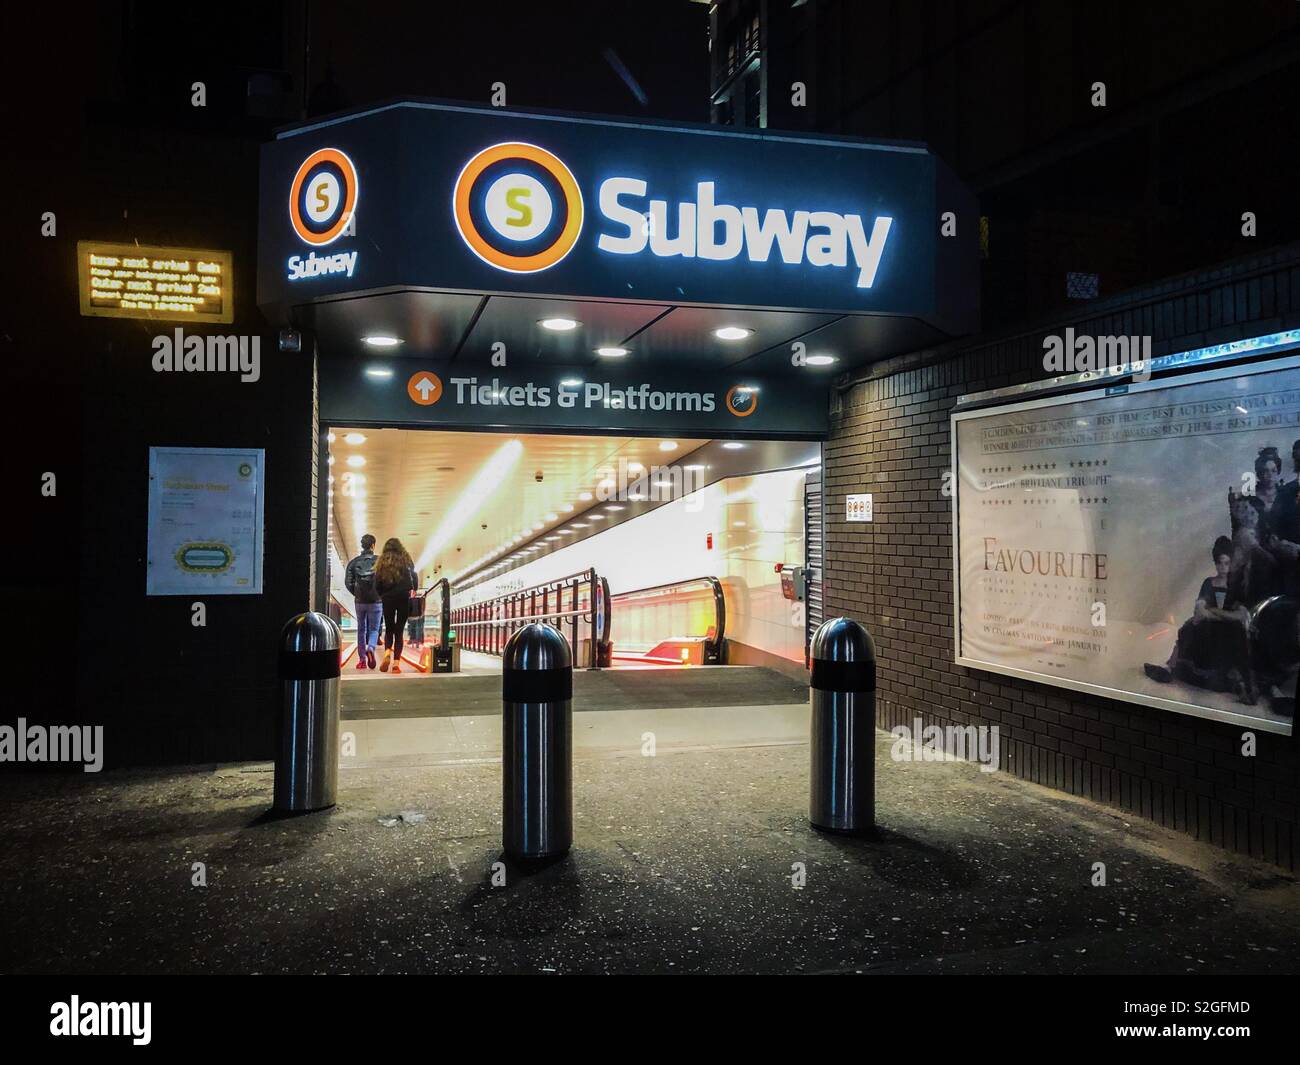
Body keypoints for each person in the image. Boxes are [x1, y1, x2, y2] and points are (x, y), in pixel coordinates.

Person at [375, 537, 418, 673]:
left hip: (387, 598)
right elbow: (414, 575)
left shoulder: (382, 560)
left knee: (389, 629)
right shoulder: (406, 558)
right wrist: (414, 589)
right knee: (399, 631)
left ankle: (387, 653)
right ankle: (396, 664)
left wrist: (381, 594)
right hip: (403, 597)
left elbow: (377, 581)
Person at [344, 534, 382, 670]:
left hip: (360, 602)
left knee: (361, 629)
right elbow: (387, 580)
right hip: (376, 601)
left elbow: (348, 582)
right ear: (373, 545)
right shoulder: (379, 561)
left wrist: (357, 594)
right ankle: (370, 647)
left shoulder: (353, 563)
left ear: (362, 545)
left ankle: (362, 661)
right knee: (374, 629)